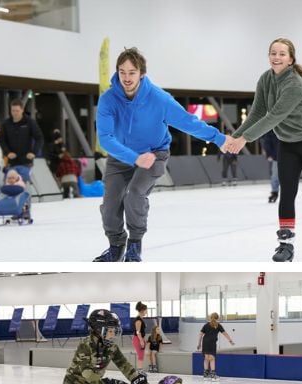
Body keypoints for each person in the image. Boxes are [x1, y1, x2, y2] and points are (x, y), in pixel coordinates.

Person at [95, 47, 227, 262]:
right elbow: (105, 138)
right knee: (110, 204)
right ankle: (116, 245)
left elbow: (187, 122)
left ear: (142, 74)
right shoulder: (109, 99)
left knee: (135, 194)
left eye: (132, 72)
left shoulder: (159, 98)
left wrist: (219, 139)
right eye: (122, 72)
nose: (126, 78)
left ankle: (134, 245)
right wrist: (133, 158)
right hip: (121, 157)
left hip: (155, 154)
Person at [224, 38, 302, 262]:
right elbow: (257, 113)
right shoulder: (266, 79)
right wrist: (235, 137)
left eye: (282, 54)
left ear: (291, 59)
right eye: (273, 52)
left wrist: (245, 139)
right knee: (287, 191)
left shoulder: (295, 84)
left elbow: (273, 117)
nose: (276, 57)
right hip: (289, 141)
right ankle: (285, 244)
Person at [0, 99, 43, 181]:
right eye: (12, 111)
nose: (14, 113)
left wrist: (34, 152)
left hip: (26, 161)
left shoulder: (29, 122)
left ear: (22, 110)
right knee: (9, 186)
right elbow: (1, 140)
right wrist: (7, 152)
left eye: (17, 111)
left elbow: (39, 138)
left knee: (23, 185)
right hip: (11, 162)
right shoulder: (6, 124)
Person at [196, 312, 234, 381]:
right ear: (217, 318)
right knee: (212, 359)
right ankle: (213, 376)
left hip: (205, 342)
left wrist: (199, 344)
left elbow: (200, 335)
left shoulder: (206, 325)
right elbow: (225, 334)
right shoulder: (218, 325)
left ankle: (205, 375)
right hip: (212, 343)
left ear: (210, 317)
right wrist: (230, 340)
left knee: (206, 358)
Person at [260, 129, 280, 203]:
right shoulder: (271, 130)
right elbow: (267, 142)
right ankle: (274, 192)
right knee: (275, 175)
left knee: (286, 176)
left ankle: (287, 192)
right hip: (276, 157)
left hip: (288, 156)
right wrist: (269, 154)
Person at [132, 301, 147, 372]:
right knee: (140, 355)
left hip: (140, 338)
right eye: (145, 310)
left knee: (141, 355)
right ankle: (140, 371)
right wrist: (141, 341)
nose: (146, 311)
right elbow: (138, 332)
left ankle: (140, 370)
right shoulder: (138, 320)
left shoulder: (140, 319)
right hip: (137, 339)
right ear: (142, 310)